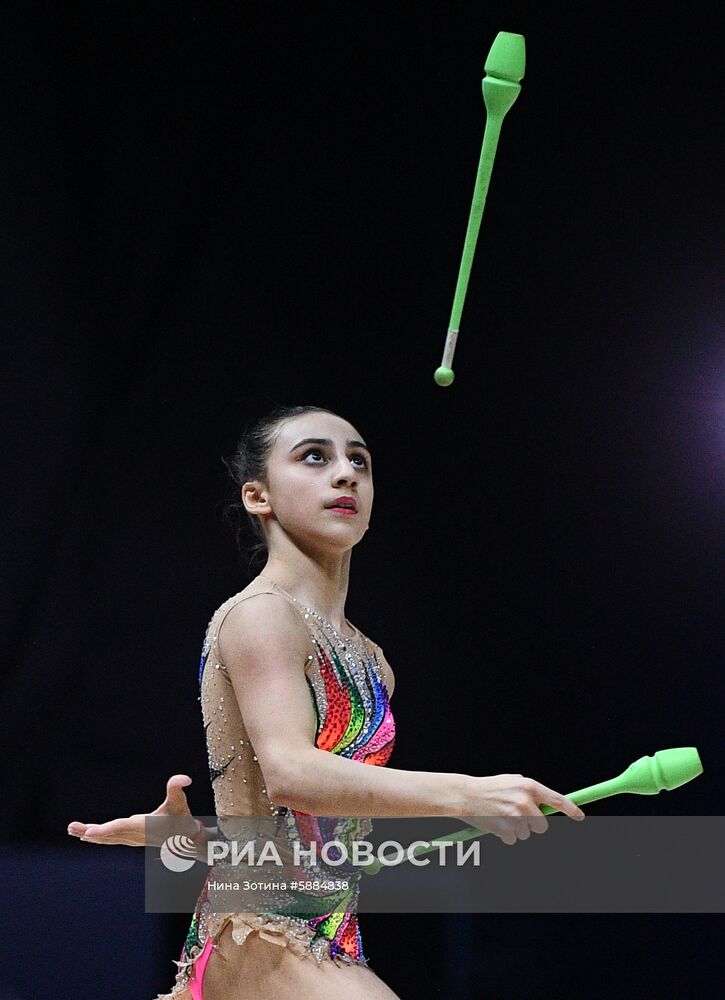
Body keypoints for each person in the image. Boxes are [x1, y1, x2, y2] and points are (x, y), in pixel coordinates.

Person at [67, 404, 585, 999]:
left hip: (331, 934)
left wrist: (203, 839)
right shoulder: (261, 615)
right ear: (258, 496)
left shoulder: (371, 660)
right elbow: (290, 774)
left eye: (359, 461)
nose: (345, 474)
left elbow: (322, 831)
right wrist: (468, 792)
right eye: (315, 457)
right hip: (261, 929)